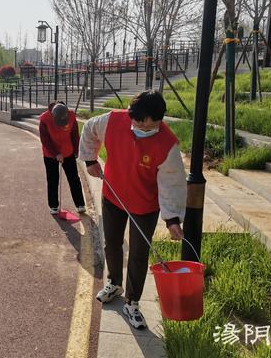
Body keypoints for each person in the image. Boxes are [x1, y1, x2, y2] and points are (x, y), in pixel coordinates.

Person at [79, 91, 186, 329]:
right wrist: (90, 160)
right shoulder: (112, 121)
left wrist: (172, 219)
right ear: (132, 116)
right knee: (112, 243)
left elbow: (172, 183)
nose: (145, 130)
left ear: (160, 120)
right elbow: (88, 130)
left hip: (145, 205)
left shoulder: (167, 144)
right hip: (113, 196)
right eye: (140, 125)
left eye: (151, 127)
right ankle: (114, 283)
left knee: (139, 254)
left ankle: (132, 302)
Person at [39, 101, 86, 215]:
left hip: (68, 151)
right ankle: (54, 206)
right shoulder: (45, 119)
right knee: (53, 180)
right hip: (50, 154)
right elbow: (45, 140)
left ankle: (80, 204)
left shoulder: (71, 115)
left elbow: (75, 134)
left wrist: (76, 150)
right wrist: (56, 154)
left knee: (74, 178)